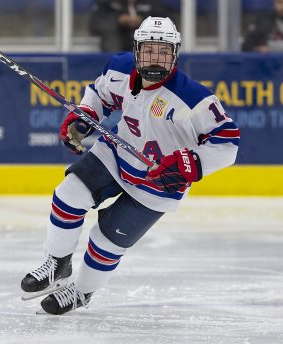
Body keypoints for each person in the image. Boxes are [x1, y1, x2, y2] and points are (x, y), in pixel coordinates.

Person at [21, 16, 240, 315]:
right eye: (150, 50)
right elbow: (99, 95)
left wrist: (188, 164)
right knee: (68, 193)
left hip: (159, 184)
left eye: (164, 52)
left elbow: (227, 144)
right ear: (137, 50)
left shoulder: (194, 99)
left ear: (175, 54)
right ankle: (56, 264)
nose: (156, 58)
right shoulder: (119, 68)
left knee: (105, 241)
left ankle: (82, 292)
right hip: (117, 154)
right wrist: (85, 115)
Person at [89, 0, 169, 51]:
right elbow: (95, 24)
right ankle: (116, 64)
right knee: (109, 32)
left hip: (145, 42)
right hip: (116, 43)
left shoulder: (153, 3)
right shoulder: (106, 3)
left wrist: (144, 22)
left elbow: (167, 22)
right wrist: (118, 20)